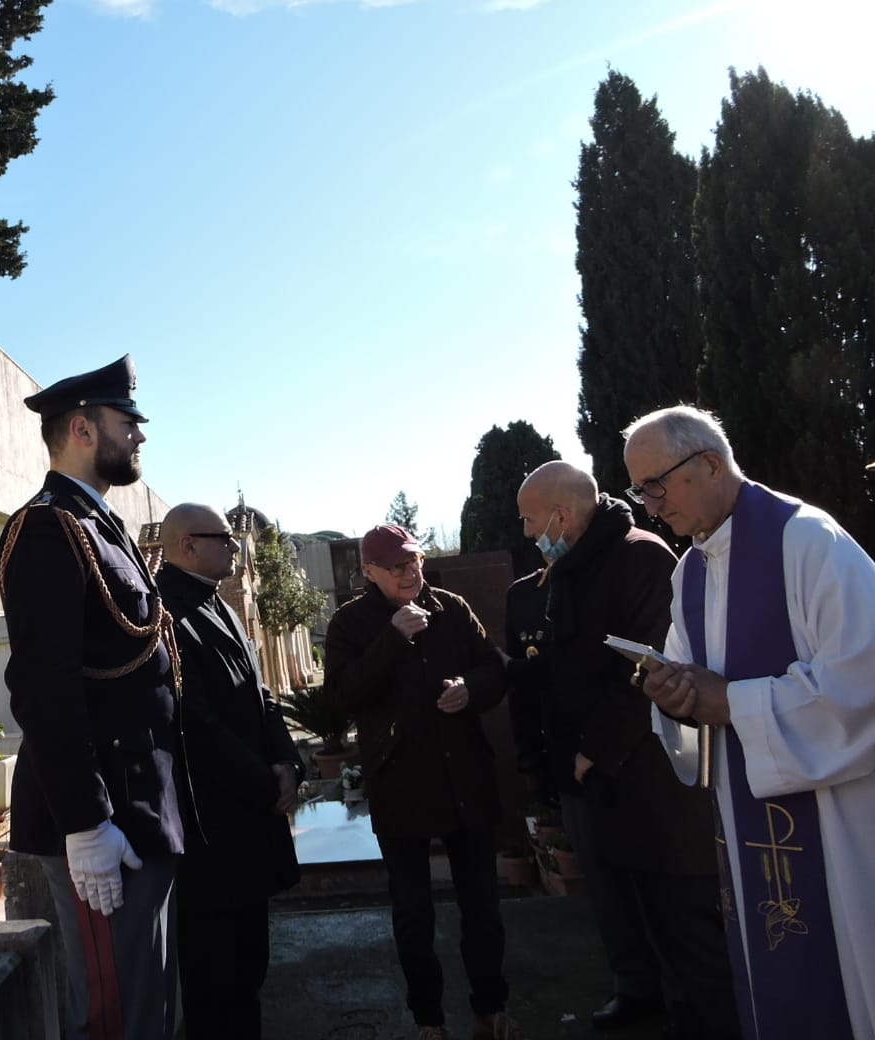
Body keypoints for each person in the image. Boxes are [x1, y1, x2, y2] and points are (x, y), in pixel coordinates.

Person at [625, 406, 875, 1040]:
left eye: (656, 485)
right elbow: (692, 686)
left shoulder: (809, 542)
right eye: (639, 491)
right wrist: (670, 693)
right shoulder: (691, 573)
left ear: (710, 462)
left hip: (840, 823)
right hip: (743, 822)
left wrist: (732, 703)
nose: (650, 507)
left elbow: (861, 685)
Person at [513, 462, 737, 1038]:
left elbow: (648, 670)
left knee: (674, 910)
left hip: (641, 771)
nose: (526, 531)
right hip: (585, 772)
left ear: (561, 515)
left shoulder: (642, 557)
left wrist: (595, 750)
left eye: (529, 519)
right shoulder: (565, 568)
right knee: (613, 898)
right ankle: (636, 990)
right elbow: (561, 665)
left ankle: (698, 1014)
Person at [0, 355, 183, 1040]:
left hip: (139, 807)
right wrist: (85, 824)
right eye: (126, 421)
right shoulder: (49, 528)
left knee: (151, 1012)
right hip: (105, 817)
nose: (139, 434)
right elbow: (44, 688)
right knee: (115, 1019)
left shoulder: (99, 525)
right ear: (81, 427)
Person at [324, 524, 521, 1040]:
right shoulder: (351, 623)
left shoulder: (452, 607)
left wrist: (470, 689)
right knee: (413, 913)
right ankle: (428, 1019)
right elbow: (343, 695)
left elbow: (495, 672)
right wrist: (393, 637)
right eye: (395, 567)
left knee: (482, 905)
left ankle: (491, 1008)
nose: (409, 573)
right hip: (401, 786)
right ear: (369, 572)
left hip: (464, 778)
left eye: (414, 562)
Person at [156, 502, 302, 1039]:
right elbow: (197, 723)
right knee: (216, 983)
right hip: (212, 828)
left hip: (250, 815)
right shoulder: (165, 612)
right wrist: (265, 784)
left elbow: (260, 694)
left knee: (249, 970)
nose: (235, 547)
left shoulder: (219, 604)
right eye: (223, 538)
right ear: (187, 545)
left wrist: (288, 760)